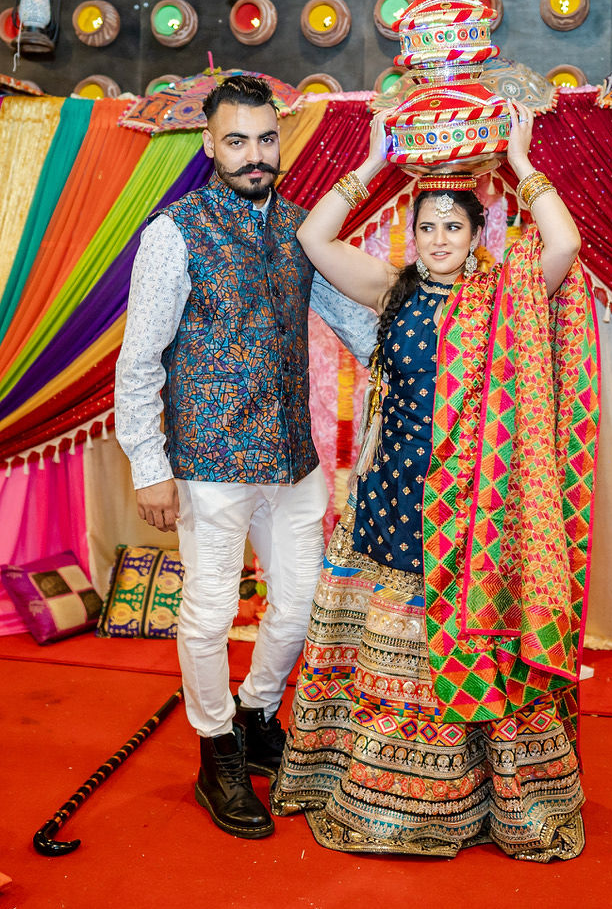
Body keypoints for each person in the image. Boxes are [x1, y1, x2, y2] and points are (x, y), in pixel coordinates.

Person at [271, 101, 599, 861]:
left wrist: (520, 165)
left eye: (454, 226)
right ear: (410, 234)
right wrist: (371, 164)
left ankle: (475, 801)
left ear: (478, 232)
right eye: (427, 227)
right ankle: (379, 796)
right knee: (393, 649)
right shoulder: (395, 293)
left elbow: (567, 241)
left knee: (467, 650)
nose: (440, 240)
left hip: (476, 518)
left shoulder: (509, 299)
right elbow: (312, 238)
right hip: (393, 502)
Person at [114, 75, 376, 840]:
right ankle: (216, 748)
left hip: (293, 461)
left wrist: (435, 349)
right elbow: (140, 361)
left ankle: (259, 714)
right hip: (205, 462)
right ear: (209, 144)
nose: (255, 155)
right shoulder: (176, 231)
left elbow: (355, 326)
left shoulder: (301, 231)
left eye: (266, 139)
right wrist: (148, 464)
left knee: (297, 607)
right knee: (208, 615)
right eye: (237, 141)